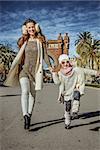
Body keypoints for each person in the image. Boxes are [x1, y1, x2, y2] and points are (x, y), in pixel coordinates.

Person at [5, 18, 52, 130]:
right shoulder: (23, 40)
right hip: (24, 71)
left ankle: (29, 114)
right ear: (26, 29)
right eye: (28, 27)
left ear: (36, 27)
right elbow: (20, 54)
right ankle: (25, 115)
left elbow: (45, 55)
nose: (31, 29)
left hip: (35, 72)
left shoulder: (40, 40)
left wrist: (50, 66)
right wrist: (23, 35)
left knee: (32, 95)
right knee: (25, 91)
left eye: (32, 27)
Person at [51, 54, 100, 129]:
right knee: (67, 108)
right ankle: (67, 121)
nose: (66, 64)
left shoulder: (75, 70)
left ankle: (74, 112)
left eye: (67, 62)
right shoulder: (60, 73)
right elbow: (57, 82)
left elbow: (85, 70)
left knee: (77, 94)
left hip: (75, 88)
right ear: (60, 64)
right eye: (63, 62)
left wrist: (96, 73)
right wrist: (54, 74)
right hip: (66, 92)